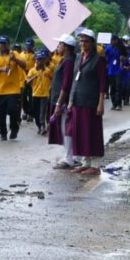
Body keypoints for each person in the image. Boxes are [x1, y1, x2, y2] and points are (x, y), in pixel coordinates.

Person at [67, 29, 107, 175]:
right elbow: (74, 80)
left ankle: (95, 165)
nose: (83, 43)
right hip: (78, 100)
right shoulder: (78, 58)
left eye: (86, 41)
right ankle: (86, 162)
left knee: (92, 132)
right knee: (81, 133)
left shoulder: (98, 59)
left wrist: (101, 102)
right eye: (81, 41)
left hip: (92, 101)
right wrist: (71, 99)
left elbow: (103, 83)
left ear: (92, 43)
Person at [0, 36, 26, 141]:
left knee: (13, 110)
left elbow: (24, 65)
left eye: (4, 43)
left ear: (8, 44)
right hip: (0, 90)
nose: (2, 45)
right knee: (1, 114)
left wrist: (15, 59)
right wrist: (2, 69)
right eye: (0, 43)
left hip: (14, 90)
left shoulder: (14, 54)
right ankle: (3, 133)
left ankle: (14, 129)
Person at [49, 34, 78, 169]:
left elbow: (65, 85)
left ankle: (69, 158)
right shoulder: (65, 59)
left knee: (65, 128)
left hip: (64, 101)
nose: (58, 46)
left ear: (66, 47)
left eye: (60, 44)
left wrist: (59, 103)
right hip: (60, 100)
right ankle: (72, 156)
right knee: (65, 128)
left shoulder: (68, 62)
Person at [26, 50, 53, 135]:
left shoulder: (48, 71)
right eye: (37, 60)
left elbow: (52, 79)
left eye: (41, 59)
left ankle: (42, 126)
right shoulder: (32, 71)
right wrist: (32, 78)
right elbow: (27, 81)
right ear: (35, 60)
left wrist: (50, 87)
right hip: (35, 94)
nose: (39, 61)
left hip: (45, 94)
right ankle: (39, 125)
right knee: (36, 112)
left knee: (42, 111)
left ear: (44, 60)